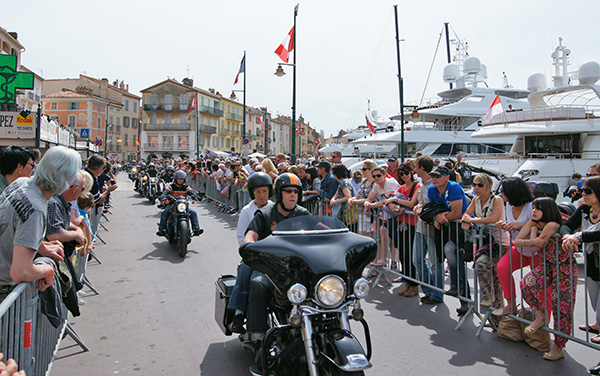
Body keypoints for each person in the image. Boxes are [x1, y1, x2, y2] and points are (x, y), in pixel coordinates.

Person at [241, 173, 309, 369]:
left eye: (296, 192)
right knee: (257, 283)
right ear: (279, 193)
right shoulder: (266, 214)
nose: (292, 195)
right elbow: (251, 234)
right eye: (288, 191)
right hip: (270, 266)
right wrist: (249, 245)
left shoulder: (303, 214)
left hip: (297, 267)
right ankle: (257, 335)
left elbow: (321, 232)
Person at [0, 146, 81, 301]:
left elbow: (14, 226)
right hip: (5, 290)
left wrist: (41, 247)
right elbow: (21, 271)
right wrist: (48, 270)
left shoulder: (22, 183)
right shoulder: (35, 209)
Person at [518, 197, 577, 361]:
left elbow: (534, 246)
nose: (533, 211)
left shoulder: (551, 225)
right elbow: (519, 242)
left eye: (538, 208)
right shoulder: (535, 222)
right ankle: (540, 316)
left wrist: (532, 232)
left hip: (563, 268)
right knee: (526, 284)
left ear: (548, 210)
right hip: (548, 266)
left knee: (562, 307)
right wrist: (532, 231)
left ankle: (559, 347)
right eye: (534, 207)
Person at [228, 172, 274, 334]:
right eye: (258, 192)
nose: (262, 196)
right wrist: (252, 250)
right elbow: (242, 236)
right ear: (253, 193)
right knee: (244, 270)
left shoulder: (274, 208)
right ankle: (239, 313)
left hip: (274, 256)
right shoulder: (248, 211)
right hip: (254, 255)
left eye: (265, 191)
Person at [560, 176, 600, 353]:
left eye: (588, 191)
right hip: (593, 267)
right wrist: (567, 236)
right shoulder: (584, 209)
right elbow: (566, 225)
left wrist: (579, 236)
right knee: (595, 305)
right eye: (582, 190)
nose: (583, 194)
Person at [461, 173, 508, 309]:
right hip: (486, 243)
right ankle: (495, 317)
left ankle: (489, 300)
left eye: (480, 185)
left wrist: (472, 220)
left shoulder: (496, 200)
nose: (476, 187)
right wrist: (465, 220)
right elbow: (466, 213)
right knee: (493, 278)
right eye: (474, 184)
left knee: (484, 267)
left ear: (489, 186)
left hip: (500, 243)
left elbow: (494, 218)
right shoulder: (476, 199)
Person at [428, 165, 470, 315]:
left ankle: (462, 296)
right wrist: (436, 216)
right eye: (432, 176)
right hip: (445, 229)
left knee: (452, 252)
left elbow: (457, 213)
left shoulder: (454, 187)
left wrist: (441, 218)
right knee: (447, 256)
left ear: (446, 177)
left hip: (462, 229)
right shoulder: (432, 190)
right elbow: (433, 208)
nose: (434, 179)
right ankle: (462, 297)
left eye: (437, 176)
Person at [493, 177, 537, 317]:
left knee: (537, 283)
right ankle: (511, 304)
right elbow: (511, 224)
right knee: (502, 268)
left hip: (536, 252)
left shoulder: (531, 207)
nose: (501, 194)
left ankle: (538, 313)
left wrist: (522, 225)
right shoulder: (509, 206)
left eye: (502, 191)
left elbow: (540, 224)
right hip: (520, 249)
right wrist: (503, 224)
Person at [384, 163, 420, 296]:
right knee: (403, 255)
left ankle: (414, 285)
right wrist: (393, 201)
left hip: (411, 224)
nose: (404, 176)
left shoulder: (417, 186)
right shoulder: (401, 187)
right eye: (401, 173)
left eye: (406, 173)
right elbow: (389, 200)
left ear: (412, 172)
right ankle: (407, 282)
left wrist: (395, 200)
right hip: (400, 223)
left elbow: (411, 203)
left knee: (409, 255)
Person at [412, 156, 444, 304]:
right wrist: (418, 207)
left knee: (435, 262)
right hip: (420, 226)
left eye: (416, 166)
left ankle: (437, 294)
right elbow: (422, 203)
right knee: (417, 259)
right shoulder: (421, 184)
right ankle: (429, 289)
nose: (414, 169)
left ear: (422, 168)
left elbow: (434, 205)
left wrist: (422, 208)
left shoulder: (435, 184)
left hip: (432, 227)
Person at [364, 166, 400, 266]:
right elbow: (369, 198)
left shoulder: (390, 183)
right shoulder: (376, 185)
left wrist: (371, 205)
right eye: (374, 176)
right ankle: (385, 260)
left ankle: (394, 261)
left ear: (384, 175)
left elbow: (386, 201)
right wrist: (367, 205)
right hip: (386, 215)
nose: (376, 178)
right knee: (384, 232)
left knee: (396, 240)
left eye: (379, 175)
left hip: (398, 214)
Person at [156, 170, 203, 236]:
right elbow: (166, 191)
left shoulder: (186, 187)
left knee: (193, 213)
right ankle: (162, 229)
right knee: (165, 212)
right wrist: (163, 195)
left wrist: (196, 196)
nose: (180, 181)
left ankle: (196, 229)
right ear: (175, 179)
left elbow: (191, 192)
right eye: (179, 179)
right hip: (172, 204)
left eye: (182, 179)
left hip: (182, 205)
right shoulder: (171, 186)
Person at [348, 160, 377, 237]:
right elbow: (357, 196)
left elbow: (370, 199)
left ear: (371, 169)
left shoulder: (375, 183)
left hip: (371, 214)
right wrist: (351, 199)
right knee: (360, 235)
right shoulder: (363, 182)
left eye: (364, 169)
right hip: (361, 213)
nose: (362, 171)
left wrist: (354, 201)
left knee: (370, 236)